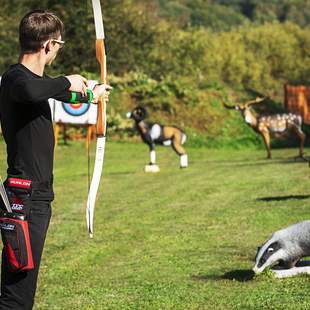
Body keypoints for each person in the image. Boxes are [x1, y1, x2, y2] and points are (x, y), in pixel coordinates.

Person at [0, 10, 110, 309]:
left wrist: (91, 95)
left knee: (22, 288)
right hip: (25, 198)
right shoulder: (15, 79)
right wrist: (68, 80)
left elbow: (58, 93)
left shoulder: (35, 84)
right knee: (17, 295)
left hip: (33, 196)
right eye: (59, 44)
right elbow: (36, 89)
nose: (57, 51)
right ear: (49, 45)